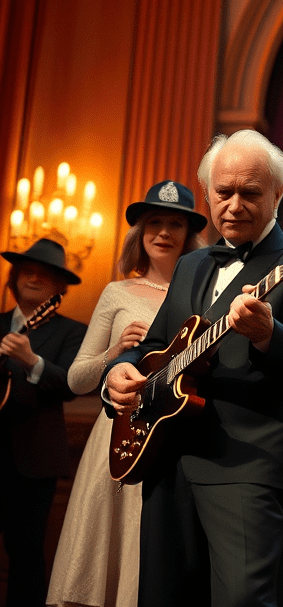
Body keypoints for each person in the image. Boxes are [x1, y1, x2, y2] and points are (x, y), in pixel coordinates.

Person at [104, 130, 283, 607]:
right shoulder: (190, 265)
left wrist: (268, 335)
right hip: (167, 458)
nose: (233, 204)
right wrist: (120, 372)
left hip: (249, 464)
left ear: (278, 194)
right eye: (222, 192)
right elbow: (151, 346)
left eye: (250, 192)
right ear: (207, 194)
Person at [47, 180, 206, 607]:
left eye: (175, 223)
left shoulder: (203, 297)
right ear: (140, 232)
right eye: (154, 221)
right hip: (116, 432)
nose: (164, 232)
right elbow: (76, 379)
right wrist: (117, 353)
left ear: (189, 235)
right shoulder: (116, 292)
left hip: (172, 436)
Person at [0, 238, 86, 607]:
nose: (34, 277)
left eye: (45, 274)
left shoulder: (73, 331)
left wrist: (32, 361)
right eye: (27, 271)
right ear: (15, 277)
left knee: (26, 551)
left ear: (58, 287)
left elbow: (70, 385)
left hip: (33, 459)